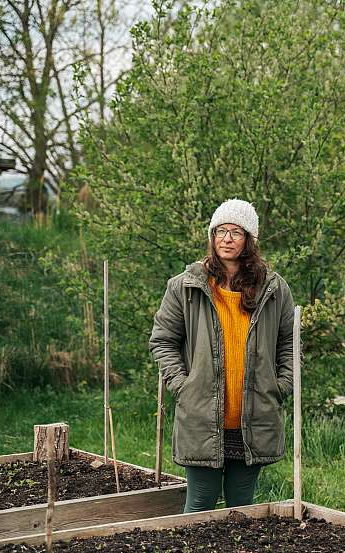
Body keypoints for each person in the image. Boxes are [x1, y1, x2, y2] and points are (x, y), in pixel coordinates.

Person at [149, 198, 295, 513]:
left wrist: (280, 384)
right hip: (201, 414)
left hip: (253, 416)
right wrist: (182, 385)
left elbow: (290, 343)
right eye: (220, 231)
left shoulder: (274, 288)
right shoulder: (185, 286)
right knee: (200, 503)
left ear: (250, 240)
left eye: (235, 232)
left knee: (241, 507)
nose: (226, 239)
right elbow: (163, 341)